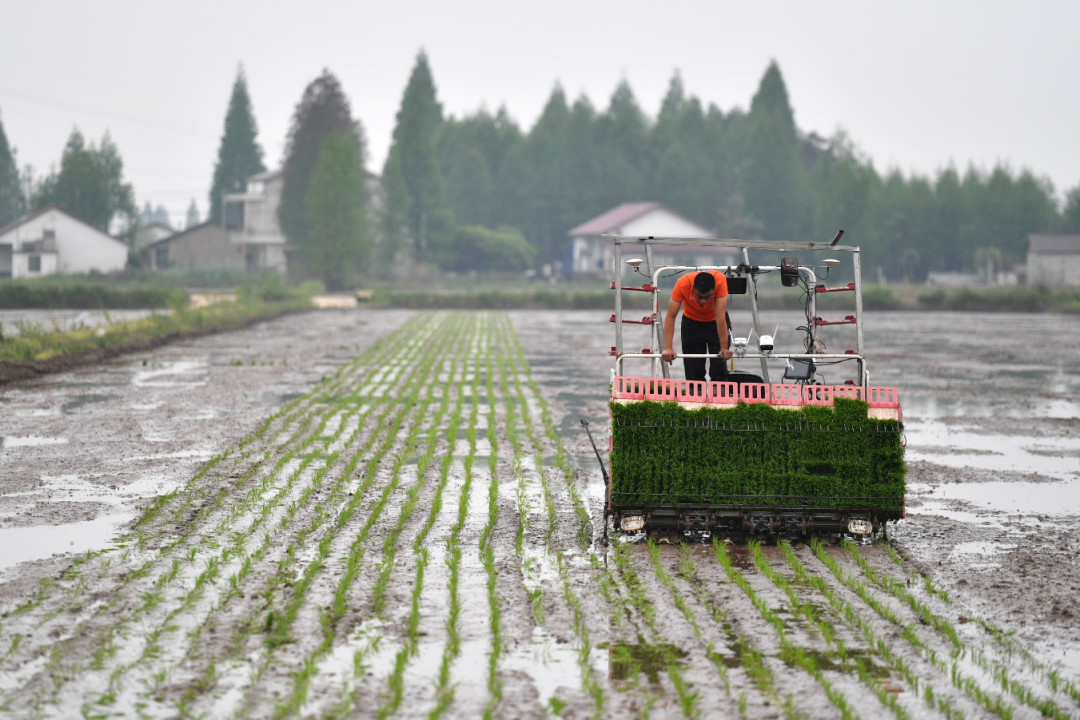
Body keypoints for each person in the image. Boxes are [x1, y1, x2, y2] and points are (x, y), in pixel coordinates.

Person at [661, 270, 732, 381]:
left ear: (714, 289)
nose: (703, 301)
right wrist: (668, 348)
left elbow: (720, 316)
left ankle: (719, 390)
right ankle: (695, 391)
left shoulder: (720, 280)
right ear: (693, 288)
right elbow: (671, 316)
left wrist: (724, 348)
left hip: (716, 322)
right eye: (698, 296)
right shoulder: (682, 283)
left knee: (719, 368)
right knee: (693, 371)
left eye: (708, 297)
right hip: (691, 323)